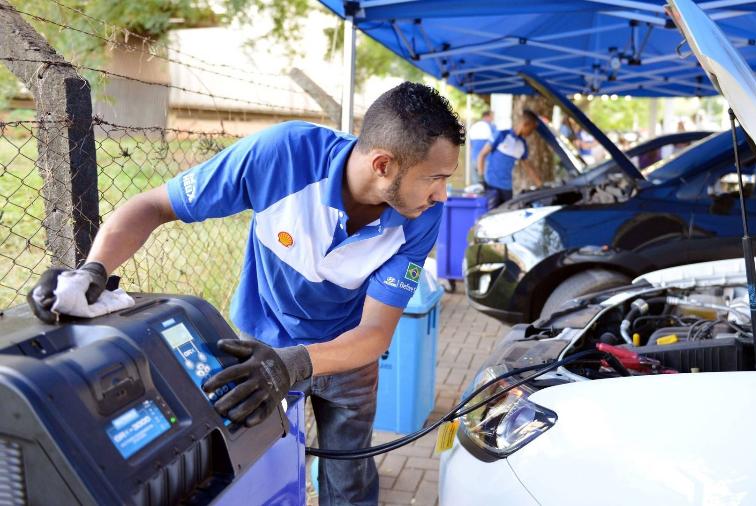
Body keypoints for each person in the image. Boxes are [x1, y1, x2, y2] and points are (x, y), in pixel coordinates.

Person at [27, 82, 465, 506]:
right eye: (436, 178)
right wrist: (95, 270)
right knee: (264, 471)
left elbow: (375, 332)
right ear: (384, 165)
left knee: (349, 480)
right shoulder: (281, 155)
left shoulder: (423, 213)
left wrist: (294, 364)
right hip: (261, 352)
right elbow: (154, 206)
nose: (443, 193)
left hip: (348, 357)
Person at [476, 109, 542, 203]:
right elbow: (481, 155)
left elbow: (528, 167)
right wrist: (481, 180)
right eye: (532, 129)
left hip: (507, 189)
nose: (532, 132)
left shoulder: (522, 145)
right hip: (491, 187)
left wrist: (540, 184)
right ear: (525, 124)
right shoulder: (501, 135)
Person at [468, 110, 495, 180]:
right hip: (485, 161)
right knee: (486, 184)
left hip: (474, 159)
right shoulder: (491, 127)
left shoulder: (474, 126)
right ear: (487, 117)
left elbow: (470, 145)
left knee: (476, 184)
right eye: (492, 117)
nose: (493, 119)